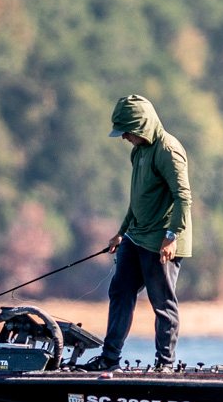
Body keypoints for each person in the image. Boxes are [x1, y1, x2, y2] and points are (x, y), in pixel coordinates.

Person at [81, 94, 193, 373]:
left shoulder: (168, 151)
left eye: (127, 131)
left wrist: (171, 236)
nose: (124, 137)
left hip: (162, 239)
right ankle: (109, 359)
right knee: (120, 291)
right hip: (136, 234)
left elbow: (183, 197)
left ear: (141, 125)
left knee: (162, 303)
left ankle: (165, 365)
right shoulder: (138, 151)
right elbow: (137, 199)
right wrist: (122, 232)